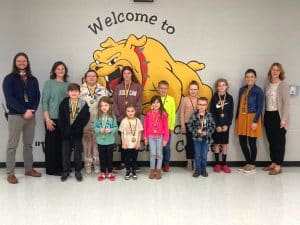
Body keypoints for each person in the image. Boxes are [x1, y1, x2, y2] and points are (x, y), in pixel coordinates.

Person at [2, 52, 41, 184]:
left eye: (24, 61)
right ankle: (10, 173)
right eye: (19, 61)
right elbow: (9, 98)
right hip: (15, 116)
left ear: (27, 63)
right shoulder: (9, 79)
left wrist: (31, 110)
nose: (21, 63)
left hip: (31, 115)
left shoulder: (33, 79)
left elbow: (37, 96)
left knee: (28, 145)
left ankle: (29, 169)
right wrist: (24, 111)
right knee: (12, 145)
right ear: (15, 63)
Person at [42, 61, 69, 176]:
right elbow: (44, 102)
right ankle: (51, 169)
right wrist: (47, 119)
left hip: (64, 119)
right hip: (52, 118)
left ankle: (62, 167)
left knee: (62, 145)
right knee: (52, 146)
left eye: (63, 68)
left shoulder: (68, 85)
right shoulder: (49, 83)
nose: (61, 71)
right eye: (58, 69)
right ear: (54, 71)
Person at [58, 83, 90, 182]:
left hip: (77, 132)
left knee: (77, 152)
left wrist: (76, 129)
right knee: (65, 152)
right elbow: (61, 118)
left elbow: (85, 118)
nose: (74, 93)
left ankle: (77, 171)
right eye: (71, 91)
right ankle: (66, 171)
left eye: (76, 91)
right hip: (66, 132)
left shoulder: (83, 103)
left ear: (79, 93)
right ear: (68, 93)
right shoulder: (63, 103)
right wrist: (64, 130)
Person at [113, 66, 142, 170]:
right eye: (124, 73)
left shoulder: (137, 87)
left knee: (134, 140)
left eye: (128, 73)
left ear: (132, 74)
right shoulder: (118, 87)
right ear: (122, 75)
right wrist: (120, 116)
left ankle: (134, 163)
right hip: (121, 119)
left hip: (134, 120)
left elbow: (139, 103)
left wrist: (132, 115)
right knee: (123, 140)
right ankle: (123, 162)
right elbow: (115, 103)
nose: (126, 75)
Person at [235, 69, 264, 173]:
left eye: (251, 77)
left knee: (252, 143)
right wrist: (237, 117)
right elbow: (239, 104)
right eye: (247, 77)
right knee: (242, 142)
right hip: (242, 119)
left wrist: (256, 121)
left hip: (252, 118)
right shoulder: (242, 89)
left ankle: (252, 164)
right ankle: (248, 163)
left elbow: (260, 107)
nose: (249, 79)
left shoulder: (258, 90)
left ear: (255, 78)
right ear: (245, 78)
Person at [80, 69, 108, 174]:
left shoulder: (103, 89)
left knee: (97, 143)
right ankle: (87, 164)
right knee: (86, 143)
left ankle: (97, 164)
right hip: (85, 121)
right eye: (89, 76)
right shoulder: (80, 89)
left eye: (93, 76)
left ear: (97, 78)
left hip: (99, 120)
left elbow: (106, 106)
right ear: (85, 78)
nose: (91, 78)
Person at [263, 63, 289, 175]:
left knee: (279, 142)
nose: (275, 72)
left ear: (280, 72)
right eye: (273, 69)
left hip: (278, 116)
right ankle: (273, 163)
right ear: (270, 71)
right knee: (271, 141)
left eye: (277, 70)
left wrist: (284, 119)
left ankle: (278, 166)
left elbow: (286, 104)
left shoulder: (283, 85)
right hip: (268, 115)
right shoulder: (267, 85)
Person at [188, 97, 215, 178]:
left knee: (204, 155)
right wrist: (196, 131)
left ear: (206, 106)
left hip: (206, 139)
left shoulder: (209, 115)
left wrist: (207, 132)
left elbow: (213, 126)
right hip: (196, 139)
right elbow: (189, 126)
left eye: (204, 105)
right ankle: (197, 170)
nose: (202, 106)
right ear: (197, 105)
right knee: (197, 155)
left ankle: (203, 170)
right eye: (200, 104)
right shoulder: (194, 115)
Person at [210, 78, 234, 173]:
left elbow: (230, 113)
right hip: (217, 126)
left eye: (223, 85)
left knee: (224, 144)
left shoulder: (230, 98)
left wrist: (227, 125)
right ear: (217, 88)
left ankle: (224, 164)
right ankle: (217, 164)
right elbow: (212, 113)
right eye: (219, 85)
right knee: (217, 144)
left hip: (226, 126)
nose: (221, 87)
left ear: (227, 86)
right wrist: (217, 125)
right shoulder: (214, 98)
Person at [144, 95, 169, 179]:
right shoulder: (148, 113)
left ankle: (158, 170)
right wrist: (145, 137)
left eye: (158, 102)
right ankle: (152, 170)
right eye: (154, 102)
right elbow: (146, 126)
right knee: (153, 154)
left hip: (160, 137)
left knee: (159, 154)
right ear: (151, 104)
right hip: (151, 137)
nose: (156, 104)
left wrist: (165, 139)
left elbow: (166, 128)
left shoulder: (163, 114)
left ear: (160, 103)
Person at [94, 96, 118, 181]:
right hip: (100, 141)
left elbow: (116, 127)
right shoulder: (97, 116)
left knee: (109, 157)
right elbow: (95, 127)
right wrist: (99, 129)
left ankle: (110, 172)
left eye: (106, 105)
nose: (104, 107)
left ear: (110, 106)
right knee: (102, 157)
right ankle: (103, 172)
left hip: (110, 141)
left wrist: (110, 130)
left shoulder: (112, 117)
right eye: (102, 105)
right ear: (99, 107)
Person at [119, 104, 143, 180]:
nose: (130, 113)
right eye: (128, 111)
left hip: (135, 144)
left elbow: (139, 132)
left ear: (135, 111)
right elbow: (122, 133)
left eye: (132, 111)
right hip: (127, 144)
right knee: (127, 159)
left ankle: (134, 171)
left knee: (134, 158)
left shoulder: (138, 121)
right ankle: (128, 171)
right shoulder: (124, 121)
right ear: (126, 112)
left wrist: (138, 142)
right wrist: (123, 143)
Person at [180, 80, 199, 170]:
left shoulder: (200, 100)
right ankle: (189, 161)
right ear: (189, 90)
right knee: (189, 144)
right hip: (188, 124)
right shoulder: (185, 99)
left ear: (198, 90)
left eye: (195, 89)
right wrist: (183, 126)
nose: (193, 91)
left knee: (197, 143)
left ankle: (195, 161)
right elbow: (182, 113)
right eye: (191, 89)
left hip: (198, 125)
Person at [158, 80, 176, 172]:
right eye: (161, 88)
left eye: (165, 88)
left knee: (166, 147)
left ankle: (166, 164)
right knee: (158, 147)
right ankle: (159, 164)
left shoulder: (171, 99)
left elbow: (173, 114)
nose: (163, 90)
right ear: (158, 89)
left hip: (167, 128)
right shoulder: (155, 99)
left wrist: (171, 127)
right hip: (157, 129)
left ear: (167, 89)